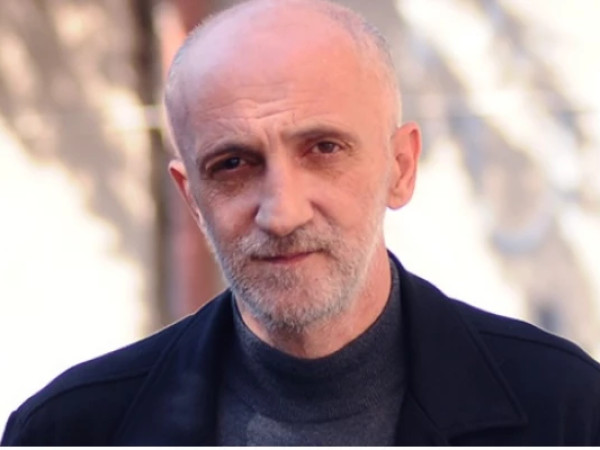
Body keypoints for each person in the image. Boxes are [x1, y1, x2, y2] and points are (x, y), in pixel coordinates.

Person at [3, 0, 600, 445]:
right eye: (233, 164)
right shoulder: (70, 432)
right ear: (193, 199)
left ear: (400, 167)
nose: (282, 213)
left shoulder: (565, 411)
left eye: (324, 149)